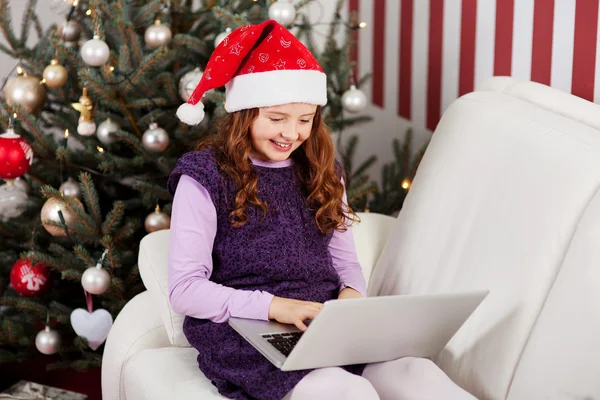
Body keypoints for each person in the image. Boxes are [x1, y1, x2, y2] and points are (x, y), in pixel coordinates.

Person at [168, 20, 476, 400]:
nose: (291, 134)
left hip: (322, 321)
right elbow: (185, 290)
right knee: (344, 391)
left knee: (418, 374)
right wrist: (274, 306)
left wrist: (350, 303)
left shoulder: (322, 171)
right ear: (245, 113)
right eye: (277, 119)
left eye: (305, 120)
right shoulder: (204, 176)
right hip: (244, 326)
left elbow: (346, 265)